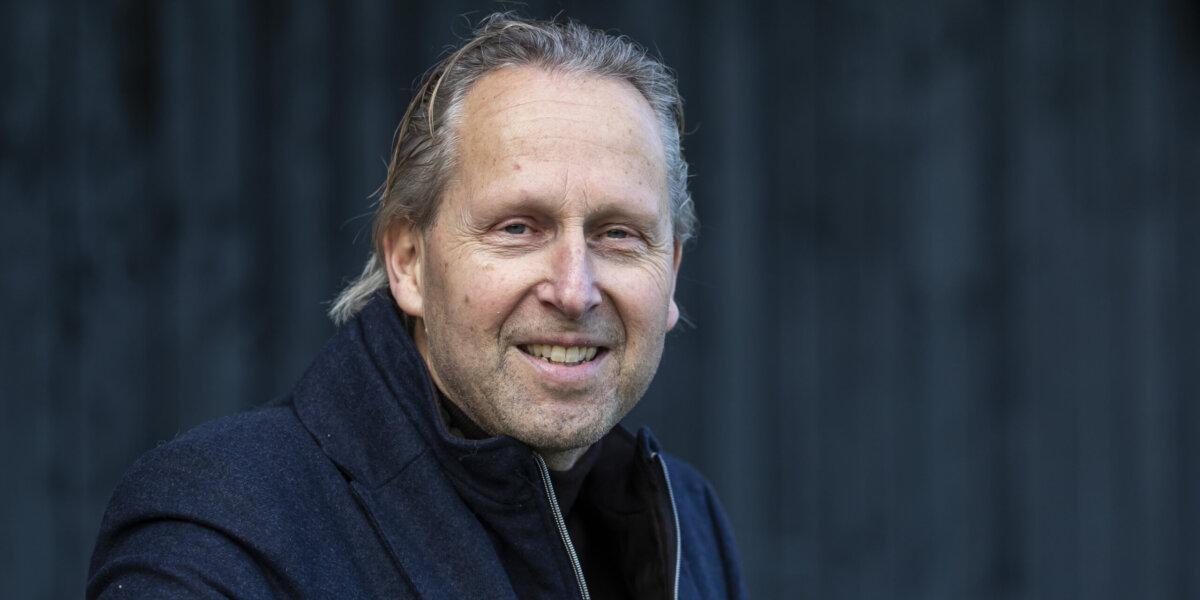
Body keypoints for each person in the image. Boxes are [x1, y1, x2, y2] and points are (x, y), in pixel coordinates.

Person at [88, 13, 745, 599]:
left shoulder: (686, 520)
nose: (574, 291)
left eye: (619, 235)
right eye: (517, 228)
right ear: (408, 263)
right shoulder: (223, 528)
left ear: (671, 274)